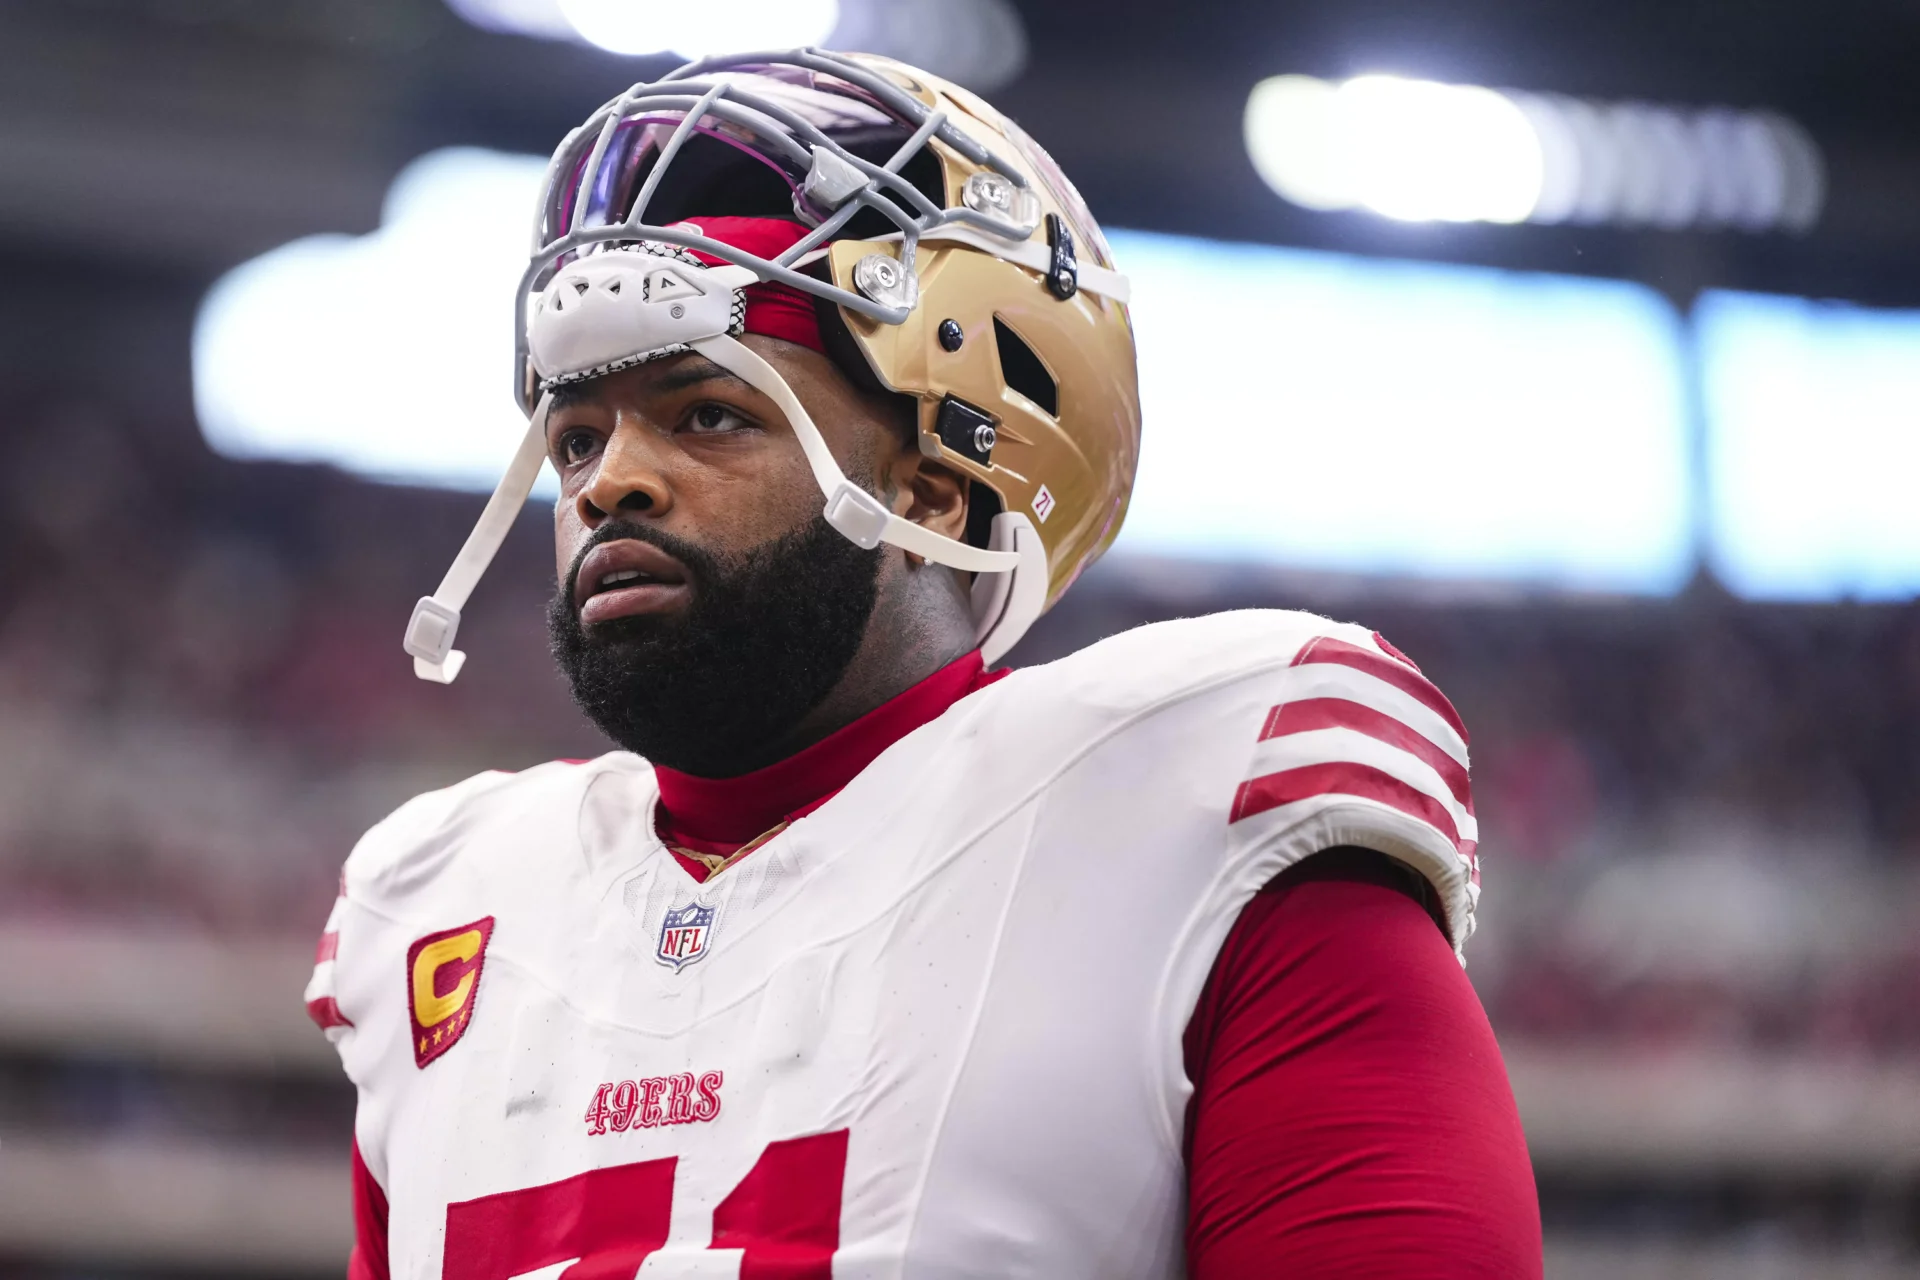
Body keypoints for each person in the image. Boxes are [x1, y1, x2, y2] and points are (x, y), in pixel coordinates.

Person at [306, 49, 1542, 1279]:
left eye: (709, 413)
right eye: (577, 438)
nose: (608, 481)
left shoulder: (1191, 817)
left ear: (934, 494)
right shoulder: (443, 908)